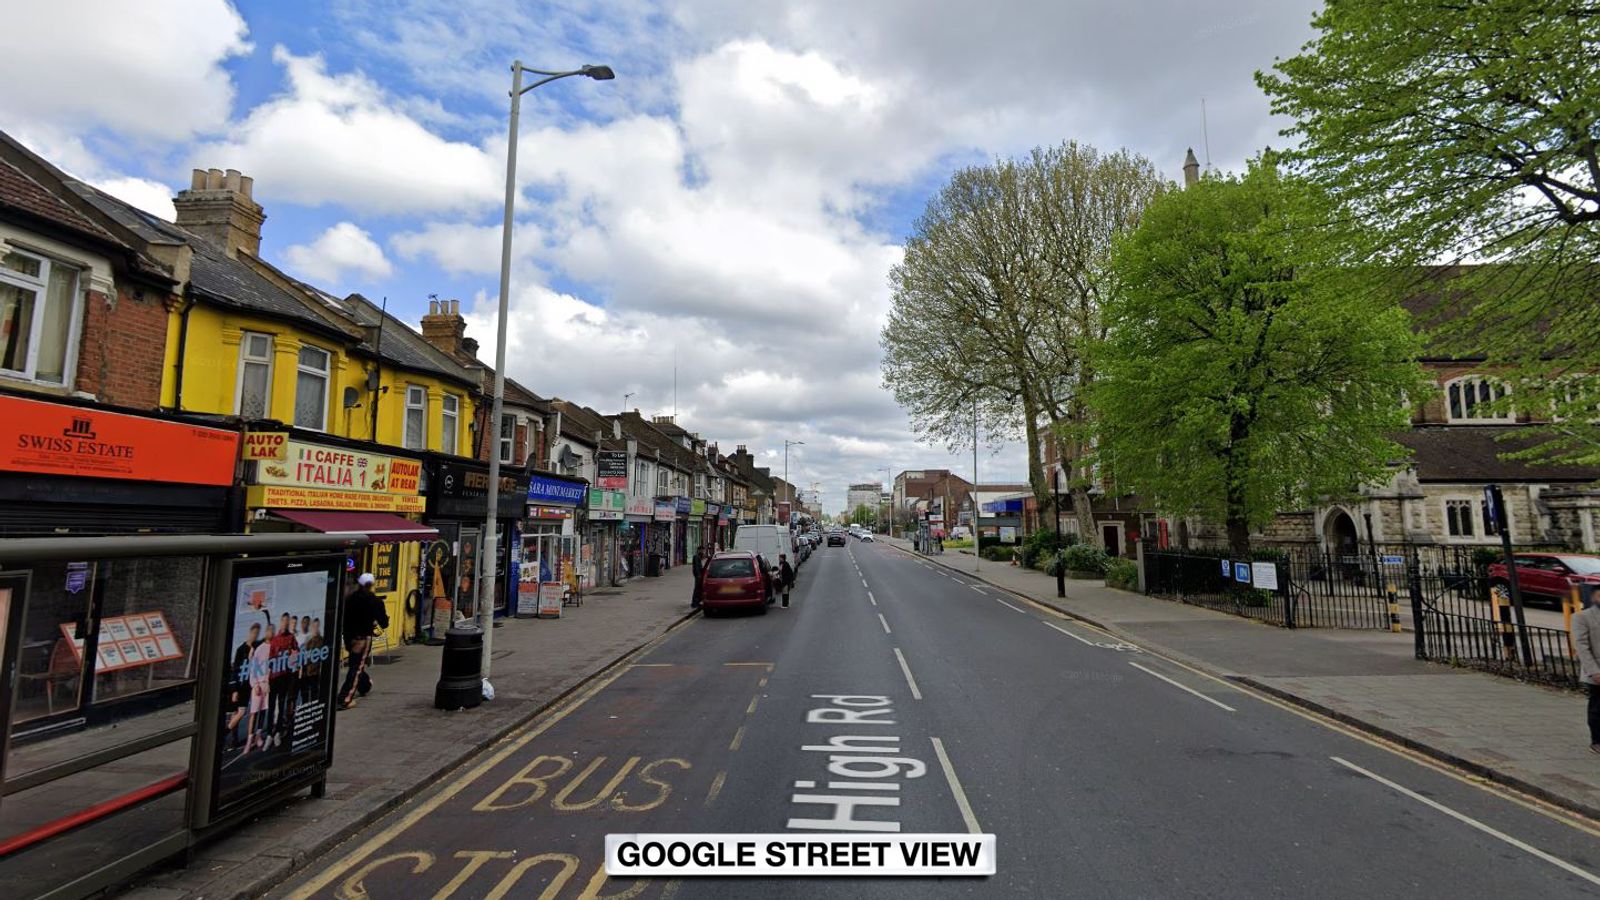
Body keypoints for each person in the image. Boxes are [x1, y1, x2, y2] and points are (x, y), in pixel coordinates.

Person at [339, 573, 389, 710]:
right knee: (356, 667)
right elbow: (384, 623)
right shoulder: (375, 601)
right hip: (362, 637)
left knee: (356, 663)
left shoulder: (350, 599)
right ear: (372, 585)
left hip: (349, 636)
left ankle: (365, 685)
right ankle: (345, 698)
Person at [1574, 593, 1600, 755]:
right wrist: (1594, 671)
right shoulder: (1582, 617)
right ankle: (1597, 741)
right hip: (1597, 670)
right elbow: (1581, 646)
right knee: (1598, 707)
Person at [691, 544, 711, 609]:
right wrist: (698, 575)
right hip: (698, 575)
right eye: (703, 550)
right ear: (699, 550)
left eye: (704, 551)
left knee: (698, 588)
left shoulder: (698, 557)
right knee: (697, 589)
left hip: (699, 575)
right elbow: (696, 567)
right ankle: (694, 603)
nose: (703, 552)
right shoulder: (696, 557)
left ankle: (697, 602)